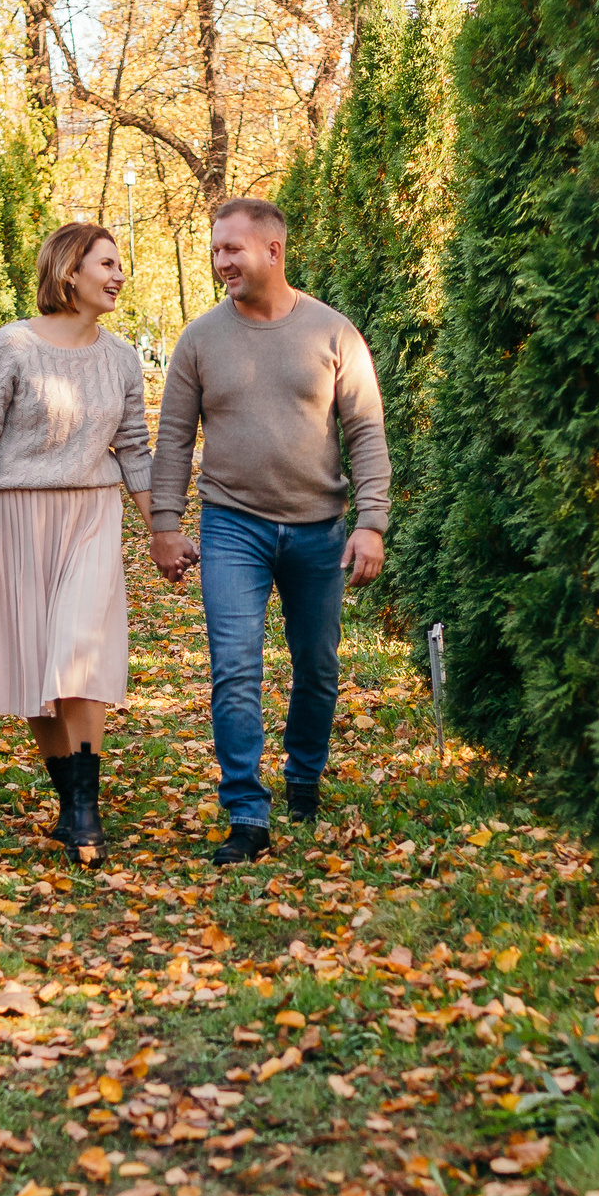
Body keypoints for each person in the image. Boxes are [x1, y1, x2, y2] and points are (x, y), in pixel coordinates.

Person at [150, 196, 390, 865]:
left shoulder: (334, 333)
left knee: (317, 666)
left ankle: (304, 778)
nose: (220, 261)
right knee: (235, 669)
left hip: (319, 529)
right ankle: (247, 814)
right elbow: (173, 439)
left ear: (273, 251)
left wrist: (371, 522)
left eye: (232, 248)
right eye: (215, 249)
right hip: (232, 526)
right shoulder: (200, 339)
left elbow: (366, 432)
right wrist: (164, 523)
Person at [0, 223, 157, 863]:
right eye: (107, 264)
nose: (119, 275)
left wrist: (163, 530)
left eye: (119, 265)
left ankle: (88, 811)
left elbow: (135, 451)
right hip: (17, 516)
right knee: (35, 663)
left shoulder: (121, 358)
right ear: (70, 272)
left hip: (92, 513)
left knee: (79, 653)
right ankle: (69, 804)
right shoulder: (12, 345)